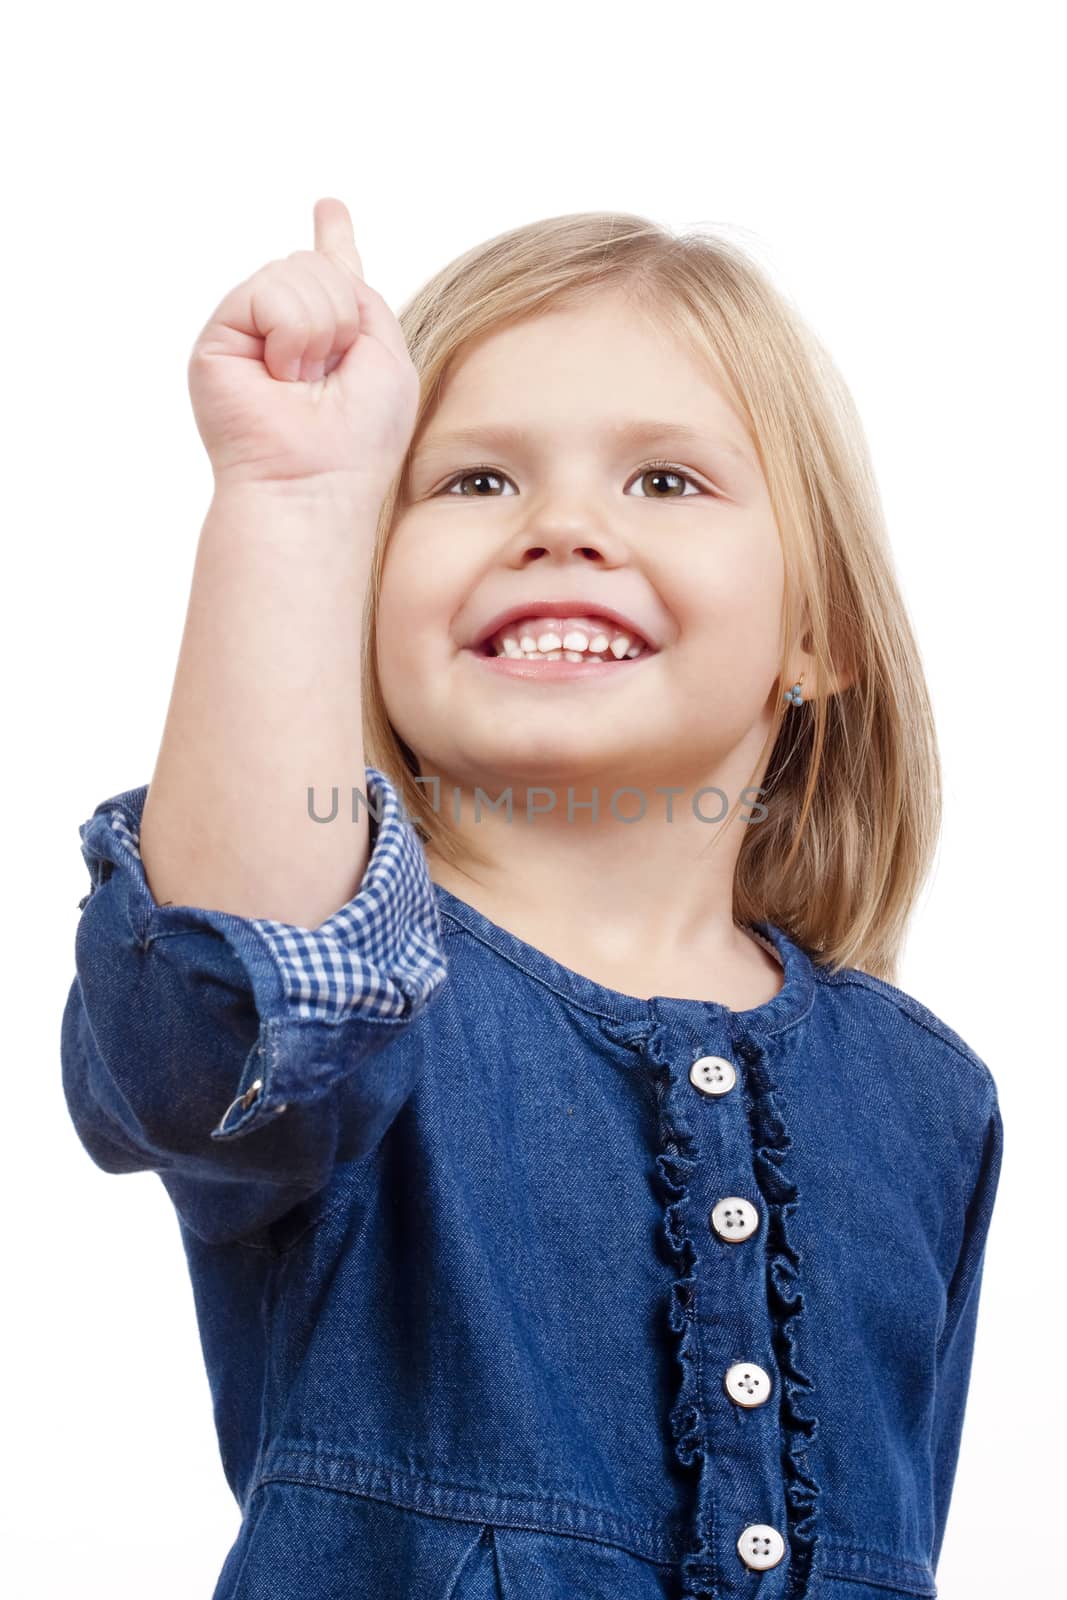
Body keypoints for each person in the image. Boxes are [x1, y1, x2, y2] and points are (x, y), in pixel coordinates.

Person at [61, 197, 1004, 1599]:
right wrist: (295, 504)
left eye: (667, 483)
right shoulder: (365, 1012)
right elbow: (223, 1005)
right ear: (374, 606)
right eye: (476, 483)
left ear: (822, 637)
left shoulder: (928, 1097)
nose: (563, 526)